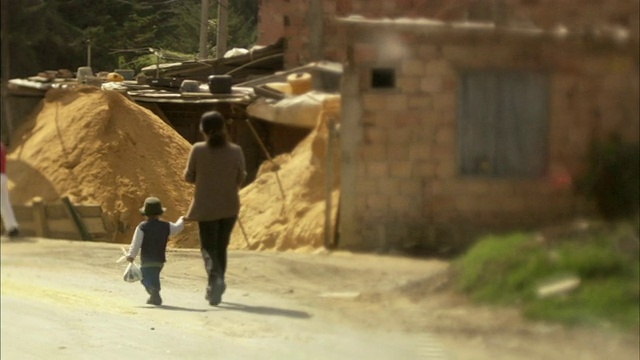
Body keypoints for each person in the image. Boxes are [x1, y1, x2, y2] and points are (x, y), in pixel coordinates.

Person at [184, 111, 246, 306]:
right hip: (229, 206)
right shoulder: (236, 151)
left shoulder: (198, 149)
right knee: (221, 247)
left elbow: (189, 176)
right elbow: (241, 177)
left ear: (204, 130)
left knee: (208, 248)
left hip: (206, 206)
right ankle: (215, 287)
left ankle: (215, 279)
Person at [126, 196, 184, 306]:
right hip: (159, 260)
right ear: (160, 213)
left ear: (145, 213)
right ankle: (154, 295)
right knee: (154, 275)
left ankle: (154, 292)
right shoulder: (166, 226)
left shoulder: (142, 227)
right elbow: (178, 227)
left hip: (147, 260)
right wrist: (182, 219)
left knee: (143, 277)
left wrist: (131, 255)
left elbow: (136, 243)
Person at [1, 141, 20, 238]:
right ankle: (12, 227)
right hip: (3, 176)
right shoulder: (2, 146)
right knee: (5, 204)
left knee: (4, 204)